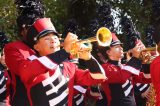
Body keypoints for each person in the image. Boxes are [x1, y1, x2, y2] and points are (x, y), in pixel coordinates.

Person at [4, 17, 107, 106]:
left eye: (55, 37)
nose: (53, 40)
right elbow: (27, 71)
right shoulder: (32, 63)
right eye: (47, 38)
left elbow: (99, 77)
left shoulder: (69, 67)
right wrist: (65, 51)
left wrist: (88, 58)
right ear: (36, 47)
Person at [98, 33, 151, 106]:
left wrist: (146, 61)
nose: (121, 48)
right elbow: (121, 77)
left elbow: (146, 78)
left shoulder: (125, 67)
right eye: (117, 46)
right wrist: (135, 58)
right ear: (108, 52)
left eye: (121, 46)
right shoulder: (104, 67)